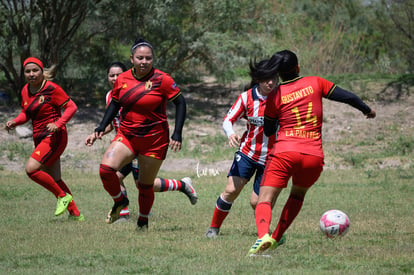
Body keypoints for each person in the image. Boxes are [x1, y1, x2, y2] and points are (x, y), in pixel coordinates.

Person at [248, 50, 376, 255]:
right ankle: (276, 238)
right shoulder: (316, 82)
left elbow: (269, 130)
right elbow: (347, 96)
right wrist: (366, 109)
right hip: (313, 156)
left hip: (284, 152)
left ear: (278, 74)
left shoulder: (274, 96)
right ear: (298, 68)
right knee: (297, 194)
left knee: (264, 199)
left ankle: (263, 234)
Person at [93, 37, 191, 229]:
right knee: (106, 169)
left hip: (155, 140)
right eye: (140, 58)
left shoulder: (162, 80)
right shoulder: (122, 79)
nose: (144, 62)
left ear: (153, 59)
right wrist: (101, 125)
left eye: (148, 58)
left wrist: (178, 133)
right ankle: (120, 201)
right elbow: (115, 104)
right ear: (132, 59)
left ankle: (143, 222)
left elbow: (181, 102)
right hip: (127, 136)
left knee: (144, 185)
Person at [205, 58, 278, 238]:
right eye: (267, 78)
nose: (271, 82)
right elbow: (228, 120)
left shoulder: (282, 98)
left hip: (271, 158)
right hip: (247, 153)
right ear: (258, 78)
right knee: (231, 190)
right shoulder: (246, 97)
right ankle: (213, 229)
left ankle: (268, 234)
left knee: (257, 202)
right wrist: (230, 133)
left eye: (274, 78)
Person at [5, 57, 84, 221]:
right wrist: (15, 121)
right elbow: (26, 113)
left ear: (42, 72)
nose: (31, 74)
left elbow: (71, 107)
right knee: (55, 178)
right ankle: (75, 214)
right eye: (28, 71)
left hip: (55, 136)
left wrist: (59, 123)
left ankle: (62, 196)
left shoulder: (52, 89)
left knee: (31, 169)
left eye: (35, 70)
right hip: (39, 137)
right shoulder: (25, 90)